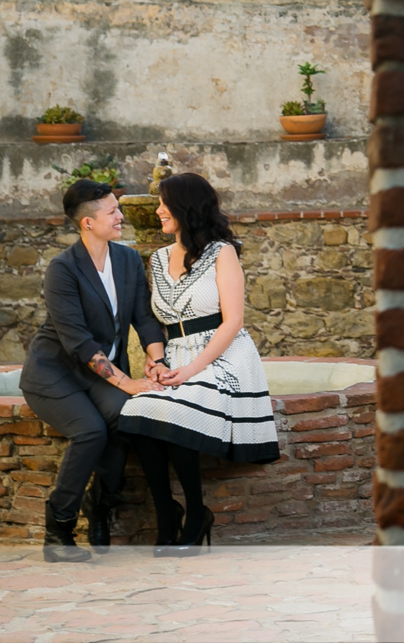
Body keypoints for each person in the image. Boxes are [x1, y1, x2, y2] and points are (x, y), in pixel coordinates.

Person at [118, 172, 279, 553]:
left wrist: (191, 370)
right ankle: (165, 515)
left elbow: (233, 321)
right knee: (140, 413)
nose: (158, 210)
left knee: (178, 408)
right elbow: (154, 322)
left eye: (164, 203)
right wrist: (156, 361)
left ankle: (195, 513)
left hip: (223, 355)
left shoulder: (223, 252)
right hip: (175, 354)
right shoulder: (157, 259)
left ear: (186, 208)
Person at [19, 178, 169, 562]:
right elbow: (80, 344)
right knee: (90, 430)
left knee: (125, 418)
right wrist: (127, 382)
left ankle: (100, 507)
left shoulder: (127, 260)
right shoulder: (62, 270)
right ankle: (58, 532)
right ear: (88, 222)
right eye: (112, 211)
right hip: (55, 374)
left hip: (94, 374)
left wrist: (158, 359)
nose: (120, 216)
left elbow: (144, 316)